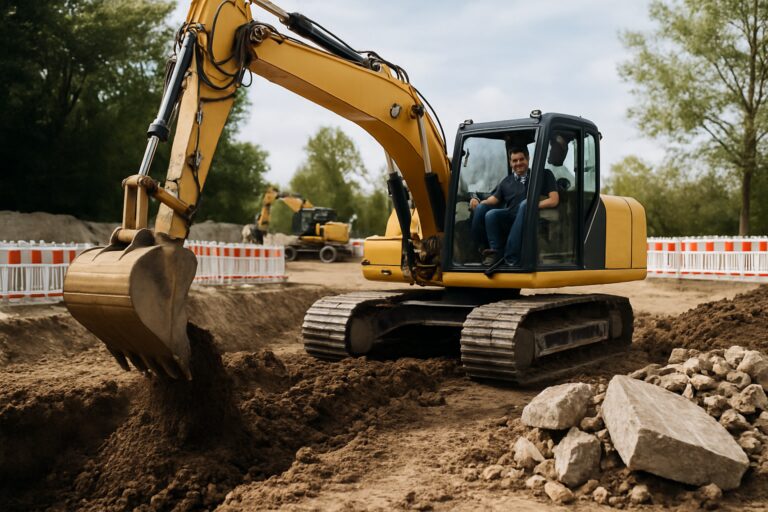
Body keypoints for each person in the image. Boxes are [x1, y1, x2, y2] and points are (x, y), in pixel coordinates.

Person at [469, 146, 559, 267]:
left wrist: (531, 205)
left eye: (521, 159)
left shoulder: (543, 174)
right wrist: (476, 199)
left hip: (531, 216)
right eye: (514, 161)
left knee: (525, 204)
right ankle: (495, 253)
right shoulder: (507, 181)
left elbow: (554, 200)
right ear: (510, 163)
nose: (518, 163)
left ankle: (511, 256)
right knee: (491, 214)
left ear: (528, 158)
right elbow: (494, 199)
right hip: (511, 215)